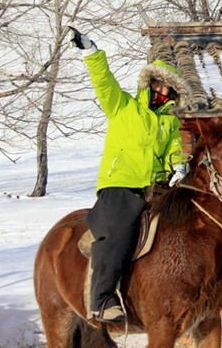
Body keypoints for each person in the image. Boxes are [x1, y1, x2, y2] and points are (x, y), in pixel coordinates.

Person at [70, 27, 190, 323]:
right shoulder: (122, 106)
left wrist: (179, 165)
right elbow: (103, 81)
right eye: (160, 85)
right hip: (120, 186)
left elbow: (174, 150)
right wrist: (92, 53)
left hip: (155, 189)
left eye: (169, 90)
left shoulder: (169, 123)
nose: (164, 93)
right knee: (119, 233)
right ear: (149, 83)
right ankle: (102, 298)